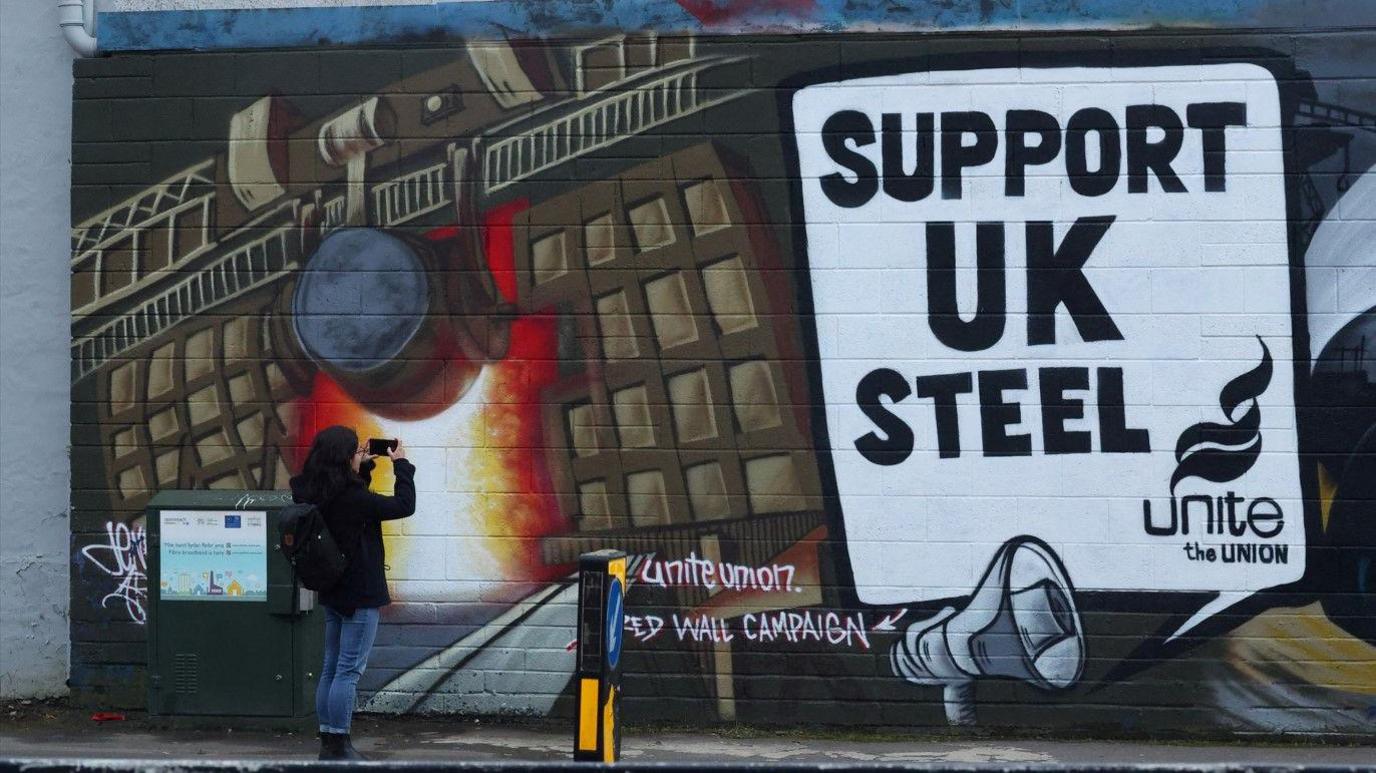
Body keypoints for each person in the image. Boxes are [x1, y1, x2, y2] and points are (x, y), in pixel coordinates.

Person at [289, 425, 416, 761]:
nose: (362, 453)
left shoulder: (312, 490)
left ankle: (328, 743)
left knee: (331, 667)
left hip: (332, 588)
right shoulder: (353, 498)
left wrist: (361, 470)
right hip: (360, 592)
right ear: (344, 458)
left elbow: (351, 509)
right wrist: (401, 465)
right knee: (349, 670)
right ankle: (340, 745)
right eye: (356, 451)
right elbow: (403, 505)